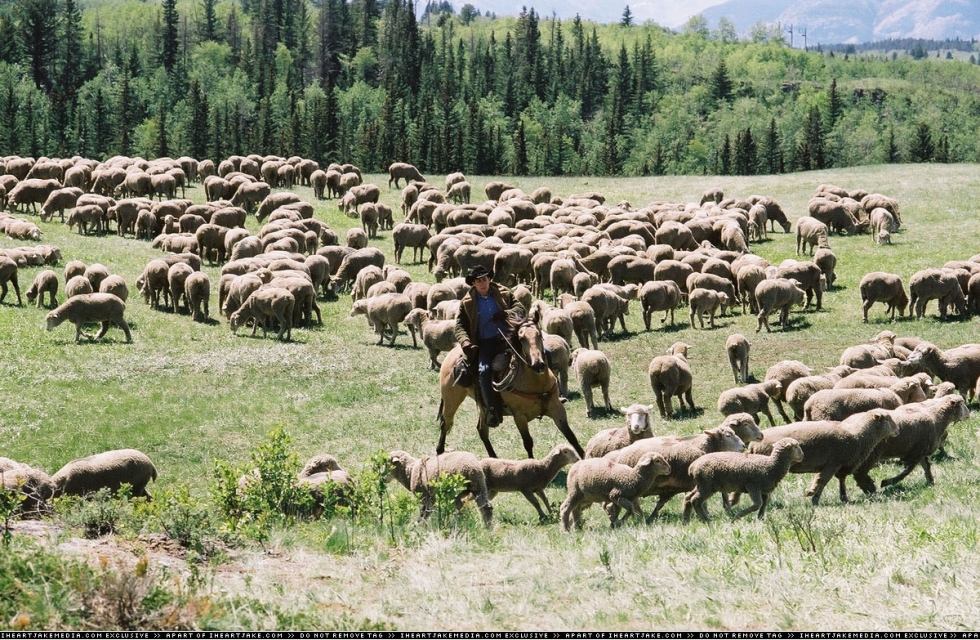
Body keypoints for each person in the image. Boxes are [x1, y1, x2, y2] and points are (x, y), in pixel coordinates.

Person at [454, 265, 524, 427]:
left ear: (489, 279)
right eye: (479, 281)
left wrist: (507, 313)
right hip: (485, 342)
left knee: (541, 353)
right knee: (484, 371)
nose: (483, 283)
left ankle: (551, 394)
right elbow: (459, 325)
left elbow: (520, 308)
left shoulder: (503, 293)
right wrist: (465, 342)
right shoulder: (468, 302)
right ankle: (492, 409)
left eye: (485, 279)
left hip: (508, 337)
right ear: (473, 283)